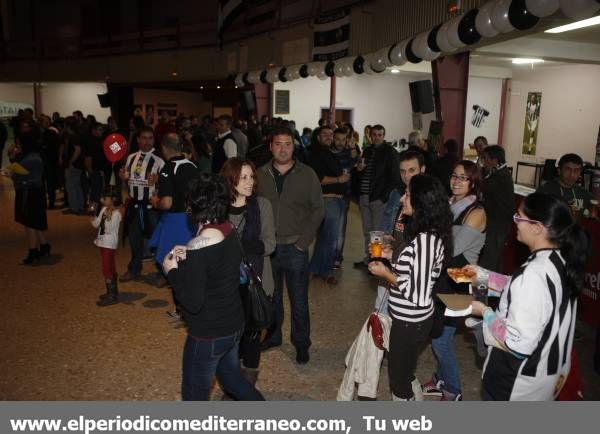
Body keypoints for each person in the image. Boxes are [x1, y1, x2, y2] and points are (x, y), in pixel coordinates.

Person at [468, 193, 590, 400]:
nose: (515, 222)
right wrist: (484, 276)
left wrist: (485, 312)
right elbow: (522, 290)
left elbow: (518, 343)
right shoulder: (558, 259)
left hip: (516, 384)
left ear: (537, 227)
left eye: (519, 217)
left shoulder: (534, 274)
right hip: (545, 376)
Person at [163, 174, 265, 401]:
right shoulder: (227, 227)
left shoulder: (199, 243)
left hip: (208, 334)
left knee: (194, 394)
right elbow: (216, 265)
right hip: (233, 323)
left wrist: (172, 270)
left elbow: (192, 302)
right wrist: (191, 255)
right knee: (231, 378)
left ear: (193, 206)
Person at [368, 174, 453, 401]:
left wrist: (385, 273)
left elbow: (417, 292)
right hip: (408, 319)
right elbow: (413, 268)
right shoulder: (424, 232)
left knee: (397, 380)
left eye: (408, 195)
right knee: (403, 370)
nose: (403, 199)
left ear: (421, 202)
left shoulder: (426, 239)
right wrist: (388, 255)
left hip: (411, 320)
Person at [256, 126, 324, 364]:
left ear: (294, 146)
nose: (283, 149)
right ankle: (274, 336)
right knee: (271, 298)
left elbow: (318, 210)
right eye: (278, 144)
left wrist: (303, 242)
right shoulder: (260, 174)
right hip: (268, 250)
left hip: (295, 247)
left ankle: (301, 343)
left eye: (287, 144)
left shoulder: (307, 174)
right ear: (270, 146)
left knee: (299, 300)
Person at [422, 161, 486, 401]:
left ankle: (454, 390)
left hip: (458, 284)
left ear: (474, 183)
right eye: (454, 176)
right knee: (436, 332)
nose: (456, 181)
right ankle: (441, 379)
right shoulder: (451, 205)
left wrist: (430, 227)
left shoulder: (476, 212)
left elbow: (451, 247)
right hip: (444, 278)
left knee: (441, 341)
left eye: (463, 178)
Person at [220, 157, 275, 390]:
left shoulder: (262, 206)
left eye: (251, 176)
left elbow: (271, 244)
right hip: (227, 285)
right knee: (231, 339)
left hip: (257, 282)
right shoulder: (219, 207)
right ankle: (233, 384)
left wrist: (243, 245)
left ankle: (246, 386)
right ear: (230, 180)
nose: (250, 182)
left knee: (252, 338)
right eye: (243, 177)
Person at [149, 132, 198, 294]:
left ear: (163, 148)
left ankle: (182, 304)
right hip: (193, 220)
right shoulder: (193, 166)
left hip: (175, 222)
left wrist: (155, 201)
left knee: (172, 263)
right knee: (189, 261)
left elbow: (167, 203)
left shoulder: (167, 168)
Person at [119, 126, 165, 282]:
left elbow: (166, 186)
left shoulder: (160, 161)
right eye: (144, 138)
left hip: (151, 207)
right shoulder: (131, 158)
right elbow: (126, 182)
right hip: (133, 204)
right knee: (134, 239)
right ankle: (134, 269)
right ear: (138, 140)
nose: (147, 141)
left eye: (150, 138)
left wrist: (159, 180)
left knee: (156, 240)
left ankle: (162, 271)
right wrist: (124, 201)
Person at [308, 126, 350, 284]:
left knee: (325, 237)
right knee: (331, 238)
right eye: (324, 134)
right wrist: (339, 180)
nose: (328, 137)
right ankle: (326, 272)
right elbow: (318, 178)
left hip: (335, 199)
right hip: (328, 199)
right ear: (318, 137)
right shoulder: (316, 153)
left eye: (330, 135)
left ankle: (314, 269)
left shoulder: (326, 152)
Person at [354, 124, 400, 268]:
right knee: (367, 230)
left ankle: (377, 261)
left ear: (383, 135)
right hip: (364, 196)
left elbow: (394, 177)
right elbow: (360, 172)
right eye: (374, 134)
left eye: (380, 134)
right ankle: (368, 259)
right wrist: (359, 170)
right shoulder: (367, 151)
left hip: (378, 197)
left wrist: (384, 197)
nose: (377, 137)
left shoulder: (390, 152)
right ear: (371, 135)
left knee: (377, 232)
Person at [2, 133, 51, 264]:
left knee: (30, 223)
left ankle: (33, 252)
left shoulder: (31, 158)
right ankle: (45, 246)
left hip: (29, 193)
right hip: (33, 192)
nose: (17, 146)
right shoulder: (32, 156)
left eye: (19, 144)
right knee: (35, 222)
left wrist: (11, 174)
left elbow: (29, 178)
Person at [478, 145, 515, 273]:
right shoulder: (498, 173)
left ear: (494, 160)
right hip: (497, 221)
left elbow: (483, 187)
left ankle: (481, 289)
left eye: (486, 158)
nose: (484, 162)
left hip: (498, 222)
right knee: (495, 257)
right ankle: (492, 289)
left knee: (490, 258)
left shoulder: (501, 176)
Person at [92, 187, 124, 306]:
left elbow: (110, 230)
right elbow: (96, 224)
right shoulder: (104, 209)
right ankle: (112, 291)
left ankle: (112, 295)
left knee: (107, 268)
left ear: (113, 199)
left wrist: (109, 216)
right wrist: (92, 216)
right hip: (101, 242)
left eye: (104, 198)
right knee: (109, 266)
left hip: (109, 244)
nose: (101, 200)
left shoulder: (117, 214)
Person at [536, 153, 591, 219]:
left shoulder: (583, 194)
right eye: (568, 169)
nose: (572, 175)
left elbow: (591, 213)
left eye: (576, 170)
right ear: (559, 171)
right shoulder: (545, 191)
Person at [60, 116, 85, 215]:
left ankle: (75, 208)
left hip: (74, 165)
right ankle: (78, 207)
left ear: (67, 126)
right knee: (76, 186)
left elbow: (77, 150)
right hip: (78, 165)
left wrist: (70, 162)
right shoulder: (76, 135)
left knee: (71, 187)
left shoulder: (74, 136)